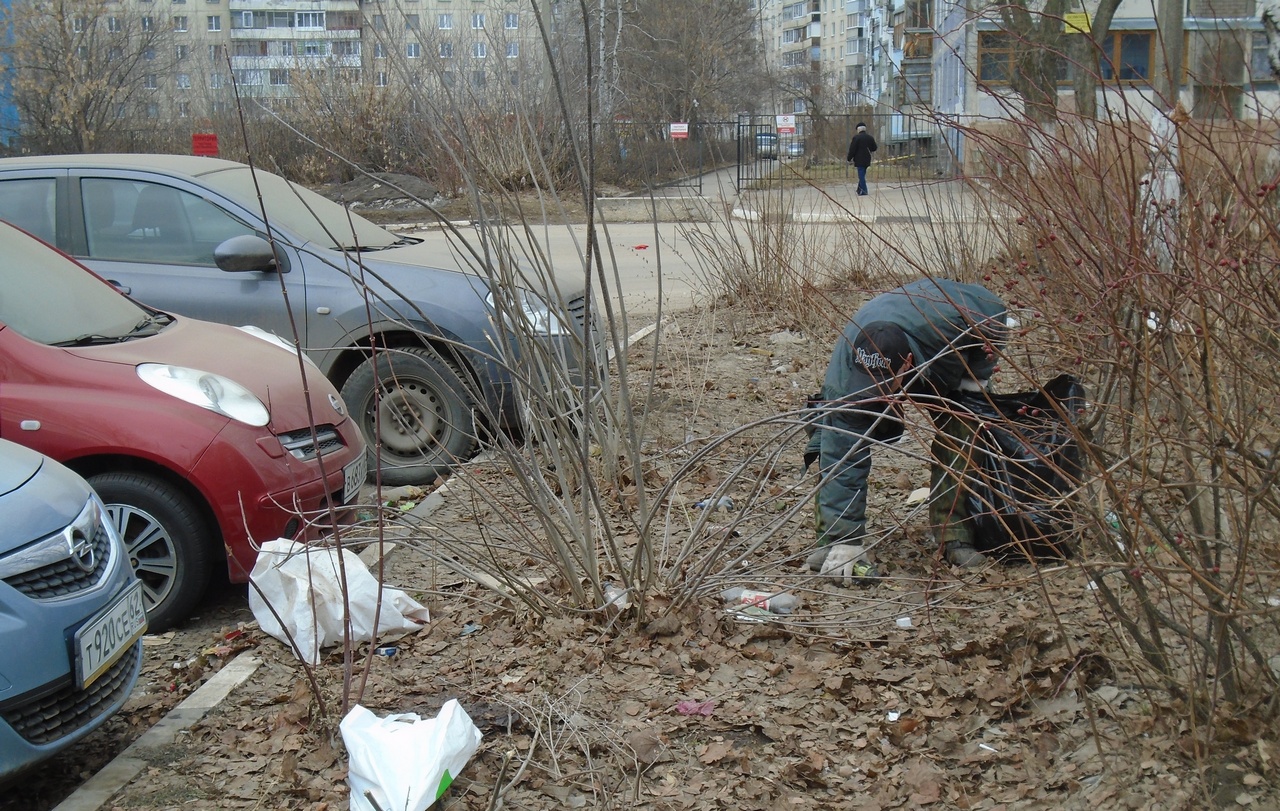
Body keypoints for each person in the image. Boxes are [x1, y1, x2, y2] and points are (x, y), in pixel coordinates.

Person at [804, 278, 1009, 586]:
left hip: (946, 351)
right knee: (835, 428)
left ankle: (956, 535)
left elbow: (994, 321)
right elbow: (842, 453)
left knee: (965, 430)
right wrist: (845, 539)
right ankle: (833, 541)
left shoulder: (965, 320)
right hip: (888, 336)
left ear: (907, 366)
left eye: (887, 389)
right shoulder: (848, 363)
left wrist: (975, 377)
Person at [846, 123, 878, 196]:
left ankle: (864, 191)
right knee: (862, 175)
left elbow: (852, 150)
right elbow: (874, 148)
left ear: (858, 129)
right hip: (867, 158)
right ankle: (859, 189)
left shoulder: (856, 138)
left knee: (861, 175)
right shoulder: (870, 138)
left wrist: (849, 158)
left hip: (859, 159)